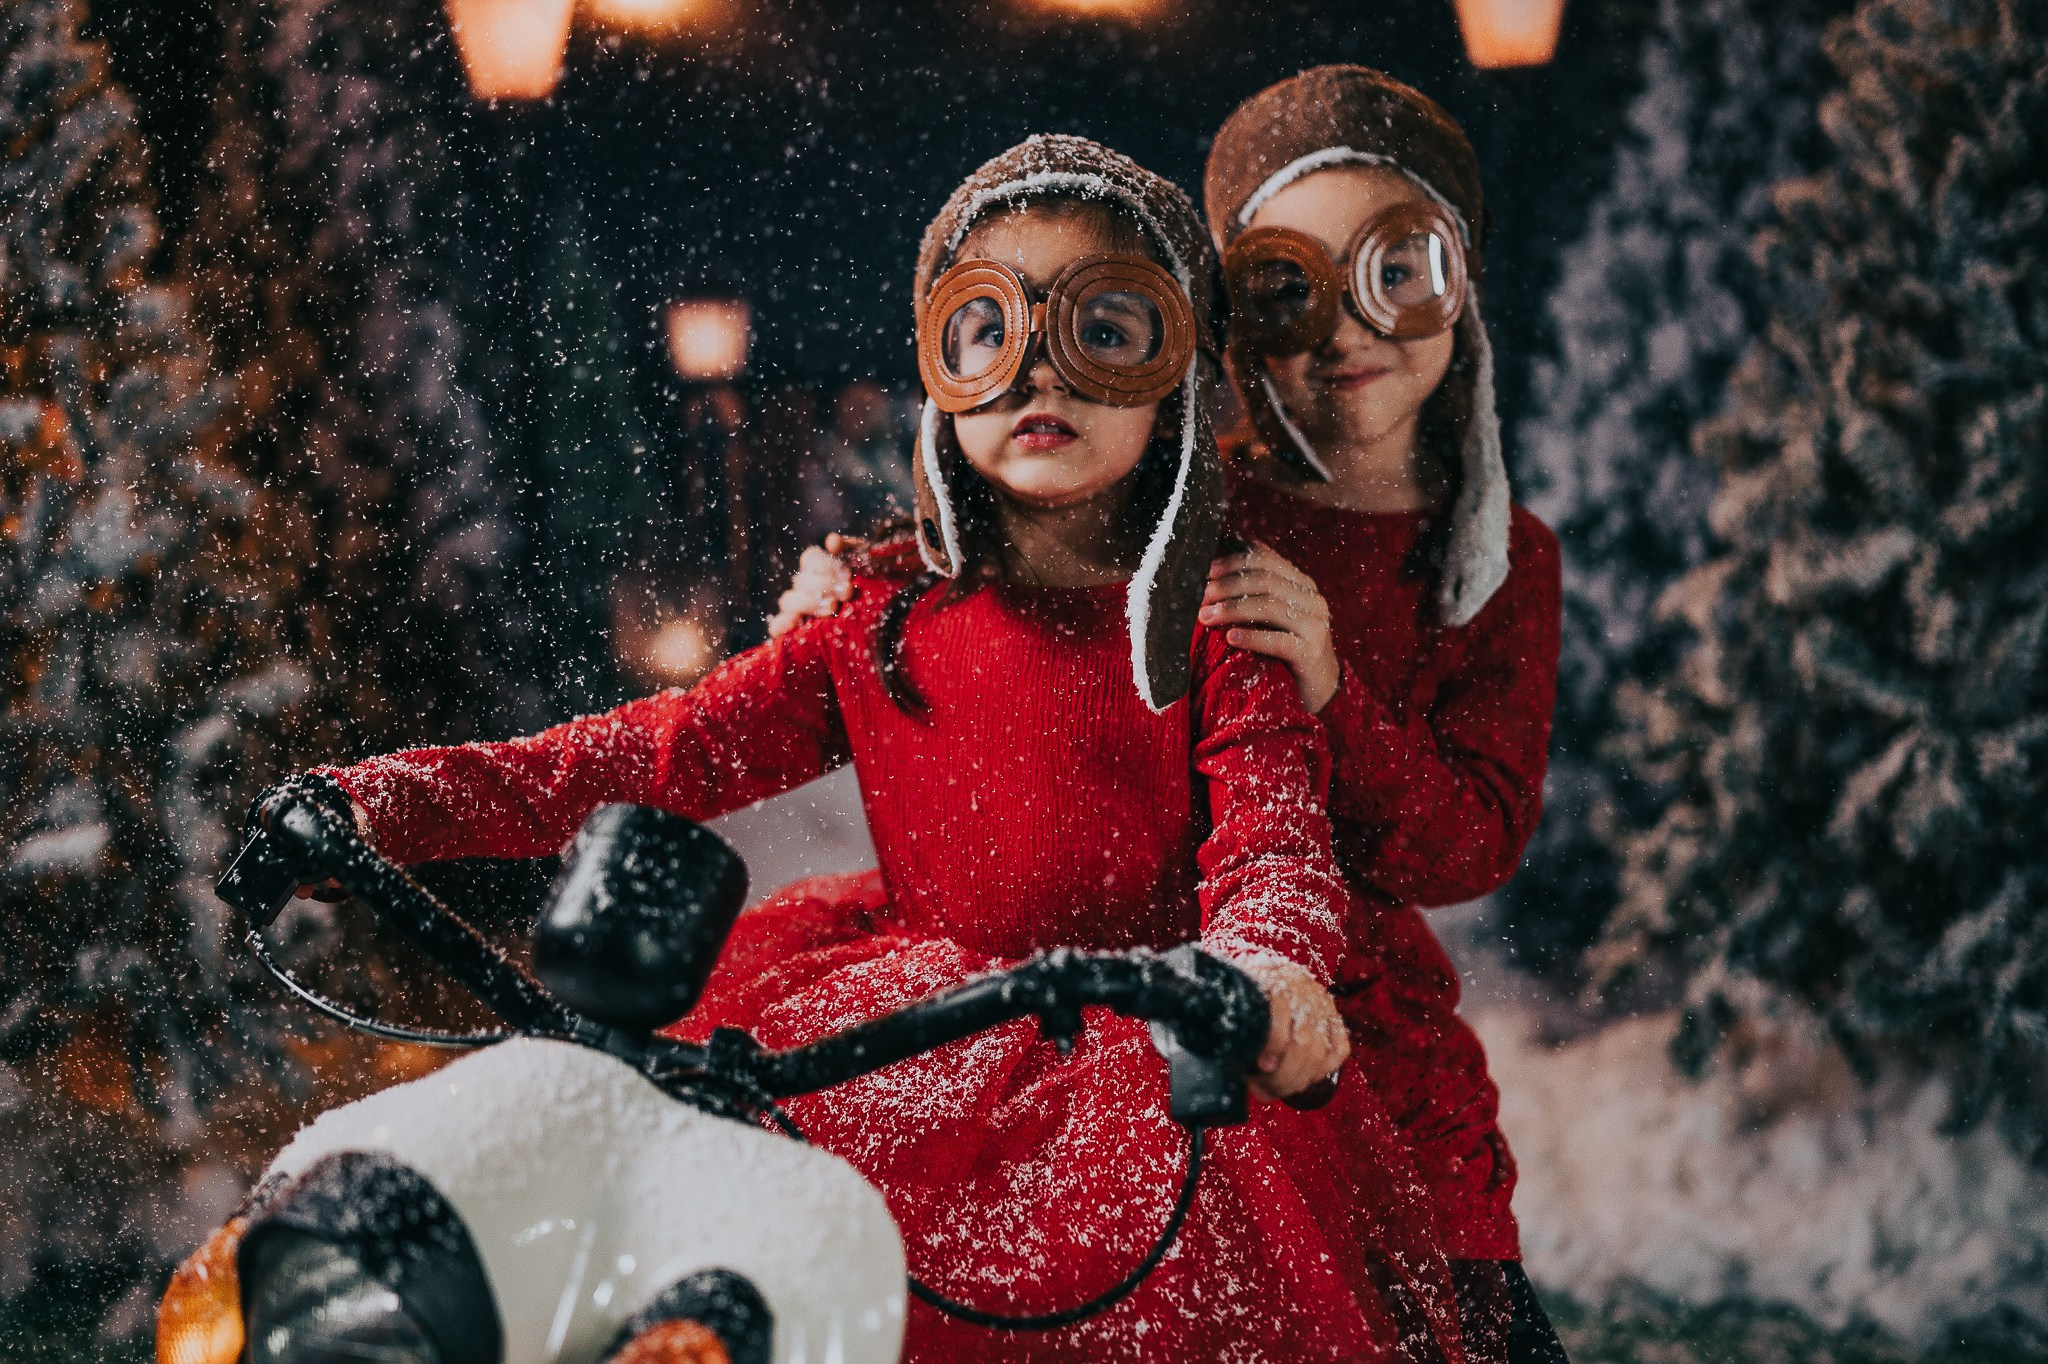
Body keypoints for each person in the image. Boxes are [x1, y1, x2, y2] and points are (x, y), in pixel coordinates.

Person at [301, 136, 1465, 1363]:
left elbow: (1274, 841)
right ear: (940, 369)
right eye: (986, 331)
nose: (1037, 373)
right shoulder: (879, 614)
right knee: (780, 1275)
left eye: (1104, 330)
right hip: (916, 1040)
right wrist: (382, 805)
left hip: (1156, 1060)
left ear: (1174, 374)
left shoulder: (1222, 620)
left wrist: (1267, 970)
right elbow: (652, 753)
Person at [770, 69, 1567, 1364]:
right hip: (1176, 1018)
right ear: (1222, 327)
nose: (1344, 332)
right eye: (1285, 292)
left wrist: (1334, 695)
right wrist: (874, 584)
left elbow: (1471, 842)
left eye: (1396, 270)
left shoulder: (1502, 560)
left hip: (1371, 1040)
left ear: (1457, 280)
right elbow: (1032, 542)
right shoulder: (1195, 502)